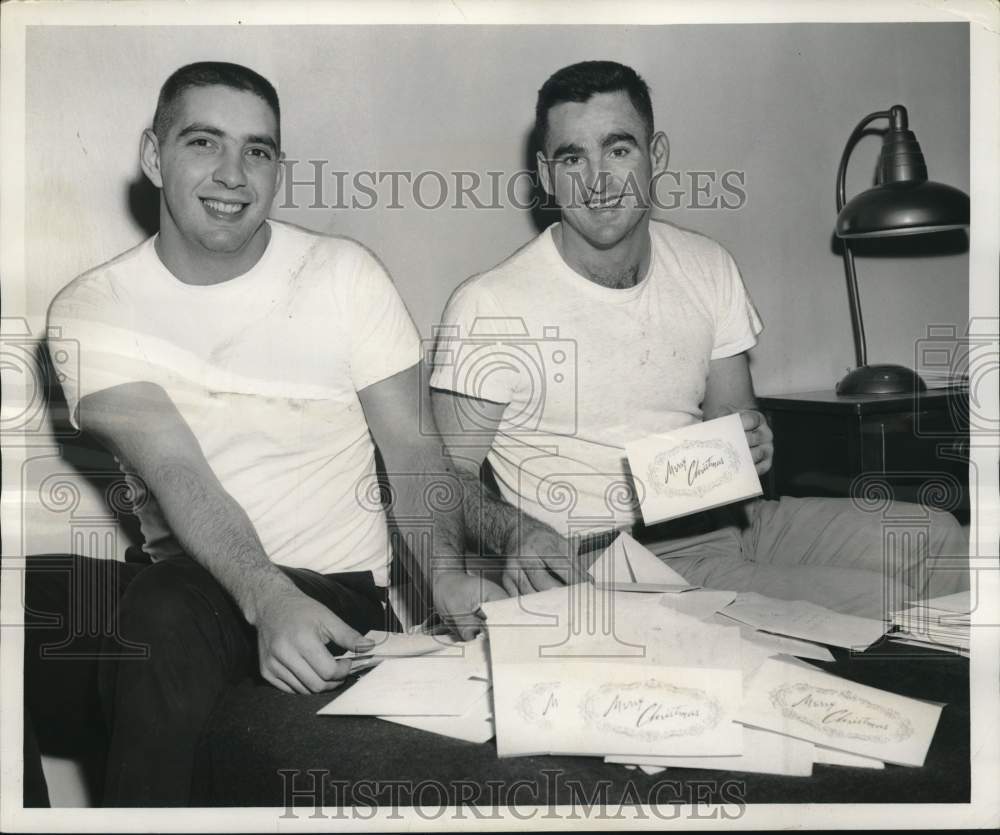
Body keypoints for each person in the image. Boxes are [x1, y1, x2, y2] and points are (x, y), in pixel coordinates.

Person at [25, 61, 502, 807]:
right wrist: (264, 597)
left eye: (258, 151)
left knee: (163, 608)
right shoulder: (95, 306)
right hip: (211, 581)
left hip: (334, 593)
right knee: (50, 598)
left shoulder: (342, 275)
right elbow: (179, 472)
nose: (233, 174)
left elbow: (414, 451)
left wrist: (442, 576)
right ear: (154, 155)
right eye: (203, 143)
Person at [429, 60, 968, 619]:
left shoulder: (707, 265)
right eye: (572, 157)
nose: (597, 181)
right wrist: (519, 533)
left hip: (733, 520)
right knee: (883, 606)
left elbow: (735, 422)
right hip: (612, 559)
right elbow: (439, 475)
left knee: (937, 536)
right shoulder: (491, 305)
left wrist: (752, 441)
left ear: (656, 155)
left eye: (619, 150)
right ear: (545, 174)